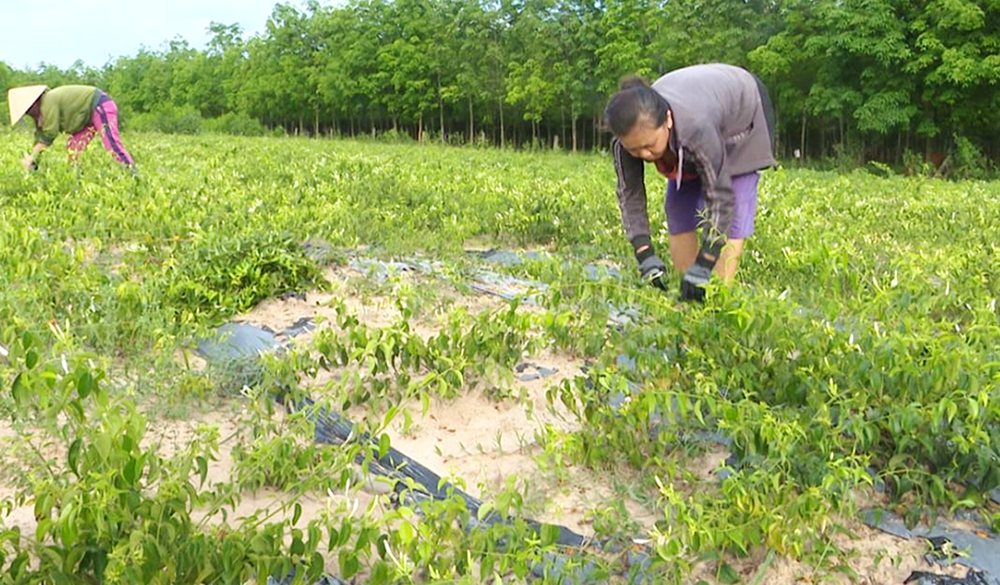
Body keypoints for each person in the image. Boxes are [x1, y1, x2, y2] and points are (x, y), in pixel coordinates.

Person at [604, 63, 776, 302]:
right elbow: (630, 195)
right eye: (635, 149)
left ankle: (717, 299)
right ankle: (687, 296)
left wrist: (705, 261)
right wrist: (645, 254)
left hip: (743, 108)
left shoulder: (696, 127)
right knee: (678, 206)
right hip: (697, 111)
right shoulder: (626, 141)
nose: (644, 154)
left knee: (735, 202)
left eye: (649, 145)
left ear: (667, 121)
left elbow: (720, 197)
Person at [7, 85, 136, 173]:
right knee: (73, 148)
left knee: (111, 144)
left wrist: (33, 155)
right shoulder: (42, 111)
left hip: (99, 105)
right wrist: (34, 160)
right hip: (86, 118)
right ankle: (77, 181)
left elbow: (49, 134)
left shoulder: (48, 101)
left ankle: (132, 174)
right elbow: (40, 136)